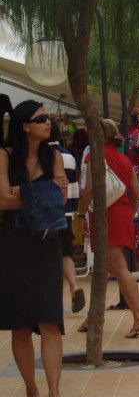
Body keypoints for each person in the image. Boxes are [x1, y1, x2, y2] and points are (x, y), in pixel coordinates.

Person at [0, 101, 68, 397]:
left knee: (50, 320)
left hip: (46, 243)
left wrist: (21, 193)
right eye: (41, 119)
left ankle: (54, 391)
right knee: (21, 323)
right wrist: (45, 191)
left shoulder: (53, 155)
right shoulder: (4, 156)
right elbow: (1, 201)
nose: (48, 123)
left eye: (48, 118)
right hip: (14, 246)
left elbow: (62, 199)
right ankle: (31, 389)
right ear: (24, 125)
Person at [77, 118, 139, 338]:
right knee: (107, 267)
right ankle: (93, 317)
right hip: (122, 214)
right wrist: (129, 212)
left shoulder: (94, 156)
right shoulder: (124, 160)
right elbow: (137, 194)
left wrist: (80, 213)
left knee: (117, 267)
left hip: (103, 216)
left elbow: (89, 188)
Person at [48, 117, 84, 314]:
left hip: (50, 211)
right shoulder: (68, 155)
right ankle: (74, 286)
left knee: (50, 255)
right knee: (65, 252)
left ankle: (53, 298)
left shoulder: (43, 155)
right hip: (68, 210)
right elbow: (75, 186)